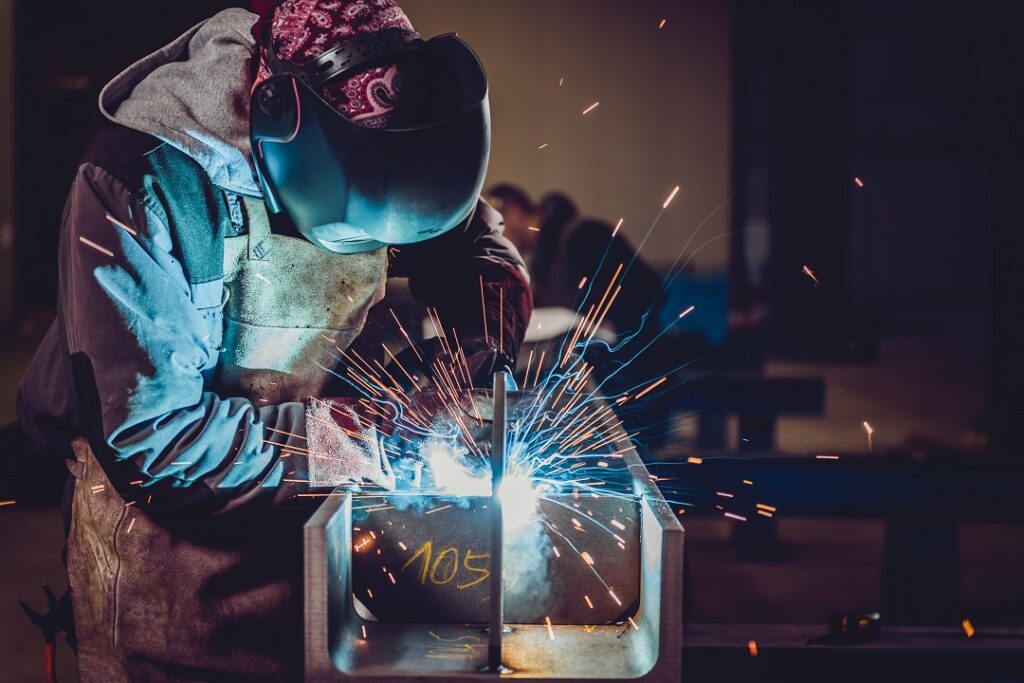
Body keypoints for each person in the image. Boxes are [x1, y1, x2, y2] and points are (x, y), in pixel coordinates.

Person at [16, 2, 531, 681]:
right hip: (171, 574)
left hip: (321, 536)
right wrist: (376, 438)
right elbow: (157, 442)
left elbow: (473, 240)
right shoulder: (142, 181)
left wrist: (477, 346)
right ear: (286, 134)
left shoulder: (396, 123)